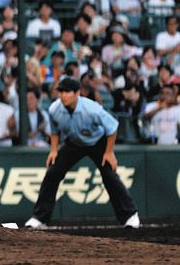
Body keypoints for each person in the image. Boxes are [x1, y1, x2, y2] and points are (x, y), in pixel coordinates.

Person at [27, 77, 139, 229]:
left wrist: (109, 152)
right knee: (53, 172)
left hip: (97, 141)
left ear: (77, 93)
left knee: (109, 175)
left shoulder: (91, 109)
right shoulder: (54, 109)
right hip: (73, 142)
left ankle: (130, 216)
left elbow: (112, 127)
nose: (63, 95)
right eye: (61, 92)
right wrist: (53, 150)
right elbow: (54, 129)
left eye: (67, 92)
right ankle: (39, 218)